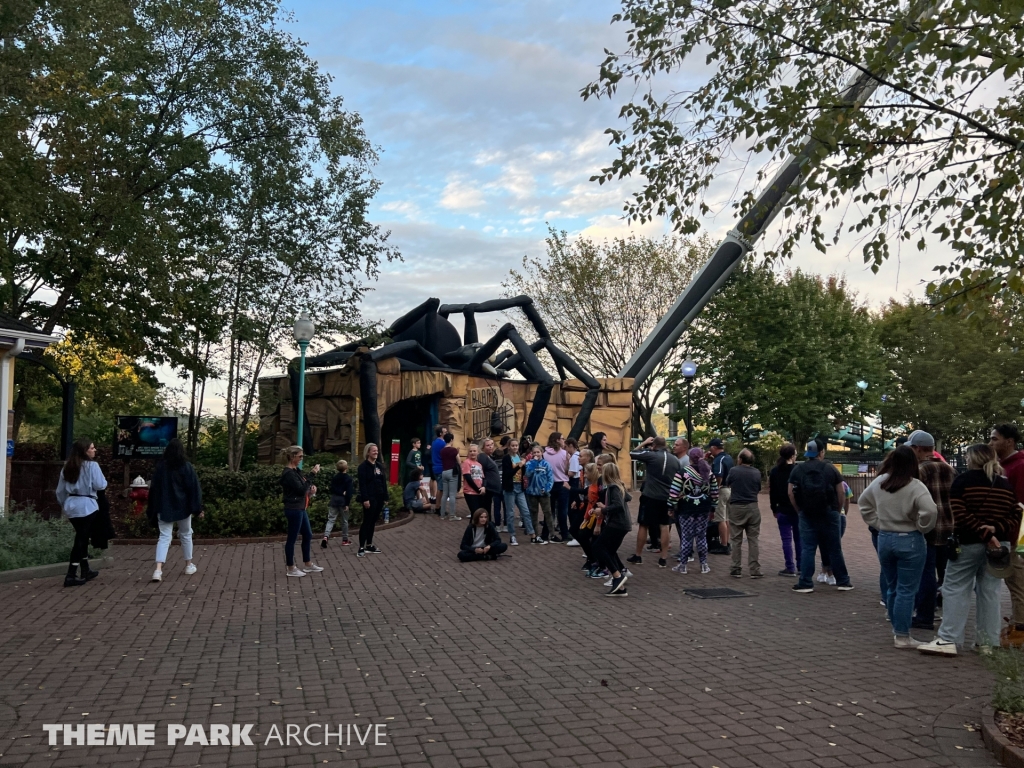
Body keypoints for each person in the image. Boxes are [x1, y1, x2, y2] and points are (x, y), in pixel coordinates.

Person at [919, 444, 1022, 656]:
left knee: (955, 588)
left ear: (972, 458)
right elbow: (1015, 514)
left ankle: (949, 639)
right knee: (990, 592)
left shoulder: (963, 481)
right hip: (999, 546)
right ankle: (987, 642)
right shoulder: (1004, 484)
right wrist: (995, 531)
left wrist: (983, 533)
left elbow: (959, 512)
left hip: (968, 542)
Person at [857, 446, 937, 649]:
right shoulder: (915, 486)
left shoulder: (880, 482)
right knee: (907, 589)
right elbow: (930, 510)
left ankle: (896, 627)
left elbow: (863, 503)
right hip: (910, 538)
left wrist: (878, 522)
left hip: (885, 537)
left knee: (892, 586)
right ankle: (902, 635)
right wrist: (922, 526)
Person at [905, 430, 956, 630]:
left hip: (927, 527)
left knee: (925, 572)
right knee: (948, 574)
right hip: (950, 526)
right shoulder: (949, 469)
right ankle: (950, 614)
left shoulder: (919, 471)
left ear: (918, 449)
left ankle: (925, 615)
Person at [789, 440, 853, 593]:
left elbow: (790, 492)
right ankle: (843, 581)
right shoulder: (830, 469)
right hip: (829, 511)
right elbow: (841, 491)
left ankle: (805, 582)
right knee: (834, 548)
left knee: (808, 548)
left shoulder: (798, 469)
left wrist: (799, 510)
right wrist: (837, 510)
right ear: (821, 452)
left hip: (807, 512)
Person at [55, 438, 109, 587]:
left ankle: (85, 569)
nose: (94, 450)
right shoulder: (92, 466)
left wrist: (64, 504)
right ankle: (71, 574)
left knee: (82, 536)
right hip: (87, 505)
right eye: (92, 448)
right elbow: (100, 485)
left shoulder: (68, 466)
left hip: (71, 504)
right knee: (81, 539)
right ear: (85, 451)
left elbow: (60, 490)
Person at [147, 438, 203, 582]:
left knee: (164, 537)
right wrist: (197, 508)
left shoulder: (161, 467)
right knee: (186, 534)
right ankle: (188, 565)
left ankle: (158, 570)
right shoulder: (186, 466)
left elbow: (154, 489)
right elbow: (193, 489)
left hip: (164, 507)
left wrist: (152, 508)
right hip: (183, 507)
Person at [990, 424, 1024, 638]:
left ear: (1009, 441)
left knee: (1017, 581)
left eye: (995, 439)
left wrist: (1015, 537)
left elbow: (1019, 504)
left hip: (1016, 536)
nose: (991, 443)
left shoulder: (1019, 466)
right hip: (1007, 533)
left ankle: (1020, 628)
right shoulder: (1003, 465)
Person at [627, 436, 680, 568]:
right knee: (664, 525)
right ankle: (663, 558)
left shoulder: (651, 455)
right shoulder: (675, 460)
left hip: (650, 495)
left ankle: (638, 555)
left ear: (654, 445)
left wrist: (644, 443)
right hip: (666, 497)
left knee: (644, 524)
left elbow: (632, 453)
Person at [668, 446, 717, 574]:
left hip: (686, 509)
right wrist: (713, 507)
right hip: (704, 509)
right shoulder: (709, 472)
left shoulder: (682, 472)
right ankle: (704, 565)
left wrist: (671, 506)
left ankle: (683, 565)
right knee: (701, 537)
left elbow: (674, 491)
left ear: (689, 458)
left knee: (686, 537)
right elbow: (715, 493)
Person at [279, 445, 324, 576]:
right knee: (292, 538)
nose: (301, 459)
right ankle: (291, 567)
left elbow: (302, 488)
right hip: (294, 509)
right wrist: (312, 474)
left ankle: (308, 563)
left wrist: (310, 491)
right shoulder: (288, 473)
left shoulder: (296, 471)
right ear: (292, 457)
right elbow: (300, 489)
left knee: (308, 534)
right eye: (300, 456)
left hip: (300, 507)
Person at [593, 461, 632, 596]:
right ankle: (620, 587)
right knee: (610, 550)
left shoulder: (613, 488)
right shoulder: (619, 486)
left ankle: (617, 576)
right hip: (623, 524)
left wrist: (603, 510)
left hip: (617, 524)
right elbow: (628, 498)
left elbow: (618, 506)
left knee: (598, 547)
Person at [726, 448, 763, 579]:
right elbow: (758, 488)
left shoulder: (734, 470)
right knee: (753, 539)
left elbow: (727, 483)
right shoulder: (757, 472)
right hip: (753, 506)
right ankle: (755, 569)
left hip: (737, 506)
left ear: (740, 459)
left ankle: (736, 568)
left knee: (736, 539)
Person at [769, 444, 800, 576]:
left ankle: (789, 566)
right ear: (792, 456)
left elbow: (772, 492)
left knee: (786, 539)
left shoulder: (775, 471)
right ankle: (801, 566)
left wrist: (773, 508)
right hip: (797, 509)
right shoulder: (797, 470)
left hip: (782, 508)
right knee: (799, 539)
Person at [356, 442, 388, 557]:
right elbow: (362, 484)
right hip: (369, 498)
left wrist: (386, 496)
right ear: (368, 452)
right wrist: (365, 499)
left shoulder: (379, 466)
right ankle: (361, 546)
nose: (376, 452)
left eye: (377, 450)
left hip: (379, 497)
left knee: (373, 521)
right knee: (367, 521)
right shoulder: (363, 467)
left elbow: (383, 482)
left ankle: (369, 544)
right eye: (373, 450)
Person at [525, 443, 555, 544]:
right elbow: (528, 474)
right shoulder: (529, 463)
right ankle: (535, 535)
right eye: (534, 452)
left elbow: (550, 478)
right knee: (533, 513)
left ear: (542, 453)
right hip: (532, 492)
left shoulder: (547, 464)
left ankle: (552, 534)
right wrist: (534, 463)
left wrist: (547, 489)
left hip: (544, 493)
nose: (536, 454)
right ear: (532, 454)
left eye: (538, 452)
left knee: (548, 513)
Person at [501, 437, 529, 546]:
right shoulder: (506, 458)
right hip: (510, 487)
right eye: (513, 445)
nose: (515, 447)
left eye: (516, 445)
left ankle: (532, 533)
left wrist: (523, 466)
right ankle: (512, 535)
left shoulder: (519, 457)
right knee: (511, 513)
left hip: (519, 486)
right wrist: (519, 466)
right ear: (509, 447)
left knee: (525, 511)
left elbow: (522, 473)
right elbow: (508, 474)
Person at [544, 432, 571, 542]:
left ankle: (545, 534)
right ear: (557, 440)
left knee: (549, 511)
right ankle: (564, 534)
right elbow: (567, 471)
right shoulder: (565, 454)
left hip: (549, 484)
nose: (564, 441)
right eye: (562, 439)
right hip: (562, 483)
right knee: (562, 511)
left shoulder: (544, 454)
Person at [708, 438, 734, 554]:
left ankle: (723, 545)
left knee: (720, 519)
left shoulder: (719, 459)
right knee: (727, 517)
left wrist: (715, 487)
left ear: (713, 448)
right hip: (729, 489)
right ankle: (727, 542)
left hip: (722, 490)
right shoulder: (728, 457)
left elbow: (718, 474)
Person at [322, 459, 354, 547]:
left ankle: (326, 536)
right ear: (346, 467)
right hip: (343, 501)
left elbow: (332, 488)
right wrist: (347, 503)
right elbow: (349, 492)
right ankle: (345, 539)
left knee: (331, 519)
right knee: (344, 521)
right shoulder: (348, 478)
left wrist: (339, 492)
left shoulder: (335, 477)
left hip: (334, 500)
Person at [439, 433, 461, 521]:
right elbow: (458, 461)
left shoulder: (442, 451)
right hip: (452, 472)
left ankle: (442, 514)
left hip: (444, 472)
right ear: (451, 440)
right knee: (452, 494)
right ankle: (452, 515)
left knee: (445, 494)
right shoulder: (454, 450)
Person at [479, 438, 502, 523]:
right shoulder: (482, 457)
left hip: (492, 488)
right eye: (488, 445)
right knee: (486, 508)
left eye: (492, 444)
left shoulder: (489, 457)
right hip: (487, 488)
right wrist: (484, 486)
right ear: (482, 448)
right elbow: (482, 472)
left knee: (488, 507)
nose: (491, 447)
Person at [461, 443, 487, 515]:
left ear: (478, 452)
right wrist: (478, 489)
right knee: (475, 512)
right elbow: (468, 477)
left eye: (474, 451)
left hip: (480, 491)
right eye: (471, 451)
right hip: (470, 492)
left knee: (479, 514)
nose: (472, 453)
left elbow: (483, 478)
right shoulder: (466, 462)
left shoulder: (479, 464)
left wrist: (483, 487)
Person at [566, 438, 582, 546]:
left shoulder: (574, 458)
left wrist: (564, 470)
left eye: (566, 447)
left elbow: (572, 473)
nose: (566, 449)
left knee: (572, 509)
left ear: (571, 446)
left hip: (574, 483)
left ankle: (576, 534)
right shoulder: (576, 457)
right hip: (576, 482)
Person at [430, 424, 448, 506]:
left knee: (440, 487)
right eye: (444, 432)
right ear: (440, 433)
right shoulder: (442, 444)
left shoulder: (434, 442)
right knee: (440, 489)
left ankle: (438, 506)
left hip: (435, 467)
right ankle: (438, 507)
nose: (446, 433)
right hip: (441, 467)